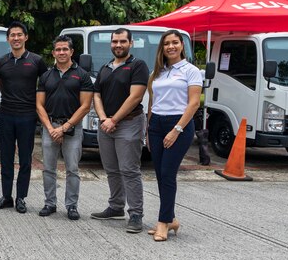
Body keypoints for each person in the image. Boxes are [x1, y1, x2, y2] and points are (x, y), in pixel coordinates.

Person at [90, 28, 149, 234]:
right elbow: (96, 94)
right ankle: (116, 207)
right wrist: (104, 119)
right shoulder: (106, 68)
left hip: (129, 124)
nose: (118, 45)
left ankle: (136, 214)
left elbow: (135, 97)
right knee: (112, 169)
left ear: (130, 43)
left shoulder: (138, 65)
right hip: (106, 125)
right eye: (115, 41)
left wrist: (114, 119)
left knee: (129, 170)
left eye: (122, 41)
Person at [146, 29, 201, 242]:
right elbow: (152, 103)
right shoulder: (157, 73)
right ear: (162, 47)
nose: (171, 46)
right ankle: (171, 219)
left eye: (175, 43)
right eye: (167, 43)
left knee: (168, 174)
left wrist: (176, 130)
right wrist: (149, 131)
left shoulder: (191, 70)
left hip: (179, 123)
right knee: (160, 175)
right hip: (157, 124)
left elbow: (194, 103)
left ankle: (163, 223)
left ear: (181, 45)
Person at [0, 21, 48, 213]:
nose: (16, 38)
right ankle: (6, 196)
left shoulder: (37, 61)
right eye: (12, 35)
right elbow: (0, 83)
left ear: (26, 37)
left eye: (19, 35)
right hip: (6, 114)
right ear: (8, 39)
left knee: (25, 159)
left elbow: (45, 84)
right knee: (6, 158)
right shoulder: (1, 62)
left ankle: (21, 197)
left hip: (27, 116)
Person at [35, 35, 92, 220]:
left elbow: (85, 106)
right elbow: (39, 105)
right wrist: (51, 128)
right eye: (58, 49)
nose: (61, 52)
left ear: (71, 51)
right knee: (48, 168)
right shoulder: (45, 76)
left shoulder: (82, 75)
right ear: (53, 53)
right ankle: (49, 203)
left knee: (72, 169)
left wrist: (65, 127)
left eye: (65, 49)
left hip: (72, 127)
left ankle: (72, 206)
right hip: (49, 126)